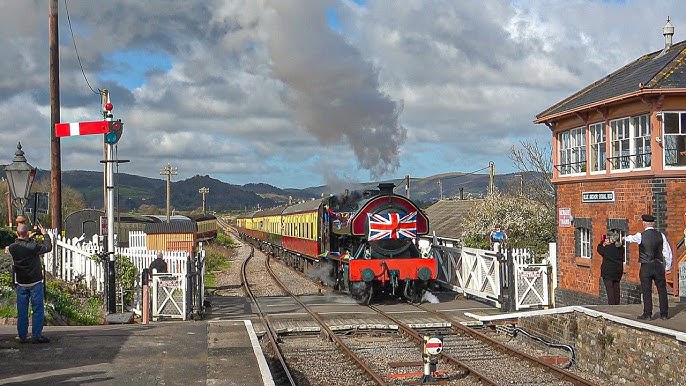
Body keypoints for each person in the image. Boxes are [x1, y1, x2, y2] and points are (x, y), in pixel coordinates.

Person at [8, 223, 52, 344]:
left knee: (22, 310)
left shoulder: (13, 248)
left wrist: (28, 237)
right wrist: (45, 234)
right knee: (37, 309)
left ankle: (22, 335)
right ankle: (36, 335)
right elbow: (47, 247)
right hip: (35, 281)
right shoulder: (32, 247)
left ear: (17, 233)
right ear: (26, 233)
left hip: (21, 282)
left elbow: (21, 244)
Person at [623, 214, 673, 320]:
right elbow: (667, 252)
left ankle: (647, 314)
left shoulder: (641, 235)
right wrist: (668, 267)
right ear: (653, 223)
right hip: (658, 265)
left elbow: (631, 238)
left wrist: (624, 238)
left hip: (646, 266)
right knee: (662, 290)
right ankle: (664, 314)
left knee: (646, 290)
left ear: (644, 223)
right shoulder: (661, 235)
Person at [597, 232, 624, 305]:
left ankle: (612, 306)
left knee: (610, 290)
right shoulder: (621, 248)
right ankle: (617, 305)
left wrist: (602, 243)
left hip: (608, 272)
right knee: (616, 288)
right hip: (618, 271)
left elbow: (599, 250)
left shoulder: (607, 248)